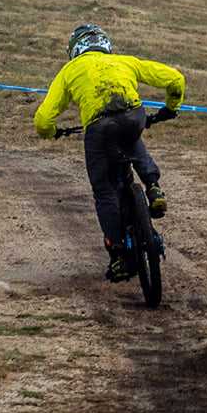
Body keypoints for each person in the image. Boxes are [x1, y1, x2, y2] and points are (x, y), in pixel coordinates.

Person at [33, 23, 184, 283]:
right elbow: (175, 79)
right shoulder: (124, 62)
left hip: (99, 127)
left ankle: (118, 255)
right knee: (131, 135)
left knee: (104, 191)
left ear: (74, 50)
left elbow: (43, 119)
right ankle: (153, 185)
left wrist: (53, 133)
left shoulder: (69, 71)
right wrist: (171, 108)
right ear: (105, 45)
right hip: (132, 114)